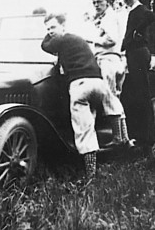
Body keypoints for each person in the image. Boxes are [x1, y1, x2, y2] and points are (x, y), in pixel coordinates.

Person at [41, 13, 129, 179]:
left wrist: (47, 34)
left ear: (63, 26)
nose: (50, 31)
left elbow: (45, 45)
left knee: (84, 129)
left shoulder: (62, 39)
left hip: (80, 85)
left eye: (53, 27)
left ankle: (90, 174)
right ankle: (121, 140)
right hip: (98, 84)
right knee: (108, 110)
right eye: (48, 29)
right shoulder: (78, 40)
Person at [85, 0, 134, 147]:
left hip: (108, 60)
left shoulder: (109, 18)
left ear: (107, 2)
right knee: (115, 99)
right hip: (114, 60)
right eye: (94, 3)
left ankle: (118, 138)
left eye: (99, 2)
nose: (96, 5)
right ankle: (124, 137)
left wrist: (92, 39)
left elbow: (111, 39)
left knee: (109, 98)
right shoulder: (106, 17)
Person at [118, 0, 155, 148]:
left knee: (143, 93)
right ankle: (138, 135)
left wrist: (137, 32)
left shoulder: (141, 10)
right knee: (132, 93)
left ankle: (148, 138)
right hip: (132, 54)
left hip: (140, 53)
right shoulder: (131, 12)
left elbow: (151, 16)